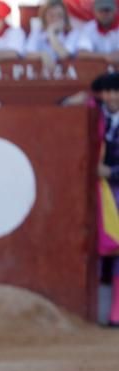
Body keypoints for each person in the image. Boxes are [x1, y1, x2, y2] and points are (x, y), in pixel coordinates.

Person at [92, 72, 119, 325]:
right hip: (97, 192)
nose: (111, 96)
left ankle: (117, 310)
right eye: (107, 92)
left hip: (116, 189)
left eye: (116, 91)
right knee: (97, 246)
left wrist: (111, 172)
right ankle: (96, 309)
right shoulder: (95, 117)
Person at [25, 0, 80, 68]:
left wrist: (51, 33)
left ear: (65, 17)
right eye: (51, 15)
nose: (55, 19)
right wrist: (42, 55)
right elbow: (28, 54)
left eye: (59, 15)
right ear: (44, 16)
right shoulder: (37, 32)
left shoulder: (72, 33)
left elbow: (63, 55)